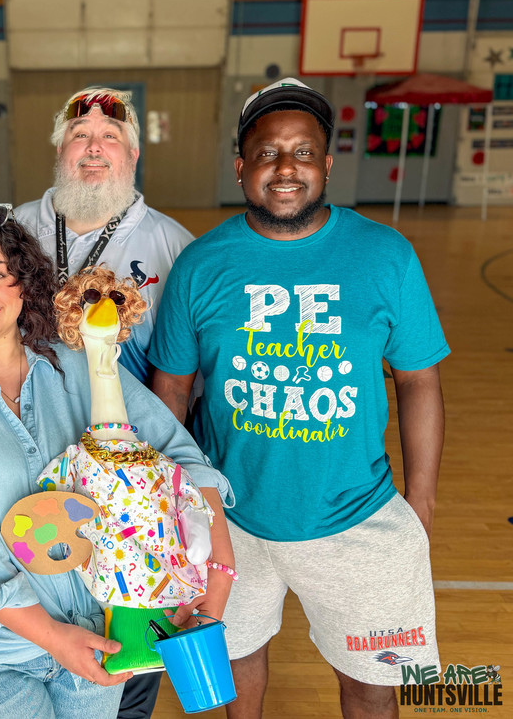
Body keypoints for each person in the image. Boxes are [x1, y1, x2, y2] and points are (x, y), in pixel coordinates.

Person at [148, 78, 448, 718]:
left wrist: (419, 501)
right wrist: (166, 503)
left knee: (373, 688)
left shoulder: (385, 255)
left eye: (303, 152)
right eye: (266, 153)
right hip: (229, 517)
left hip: (358, 517)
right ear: (240, 167)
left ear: (328, 164)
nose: (286, 168)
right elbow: (171, 388)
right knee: (234, 668)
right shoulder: (202, 266)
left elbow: (419, 377)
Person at [0, 206, 233, 718]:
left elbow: (177, 455)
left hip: (93, 631)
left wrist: (218, 566)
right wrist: (51, 637)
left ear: (25, 282)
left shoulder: (78, 363)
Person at [15, 87, 194, 387]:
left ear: (133, 155)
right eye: (80, 135)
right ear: (61, 151)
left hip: (128, 426)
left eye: (110, 136)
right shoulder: (13, 230)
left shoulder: (176, 247)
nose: (94, 147)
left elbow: (182, 377)